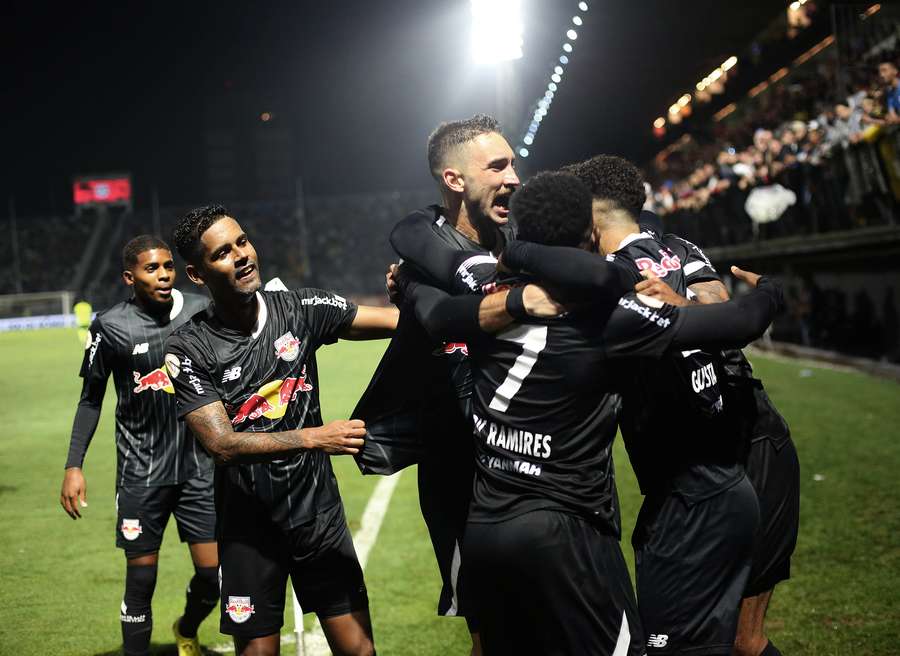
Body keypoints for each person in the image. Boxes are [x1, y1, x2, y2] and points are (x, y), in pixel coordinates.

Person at [401, 171, 785, 655]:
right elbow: (740, 320)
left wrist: (412, 286)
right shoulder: (610, 317)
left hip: (488, 526)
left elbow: (432, 308)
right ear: (589, 234)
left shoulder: (485, 301)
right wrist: (771, 288)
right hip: (567, 528)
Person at [163, 205, 401, 656]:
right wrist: (314, 437)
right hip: (248, 530)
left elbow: (398, 324)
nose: (241, 256)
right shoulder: (188, 346)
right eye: (222, 254)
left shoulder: (300, 309)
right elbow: (221, 444)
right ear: (197, 274)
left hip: (318, 515)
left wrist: (417, 294)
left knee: (360, 651)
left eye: (242, 242)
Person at [562, 155, 760, 656]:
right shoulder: (676, 251)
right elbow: (721, 309)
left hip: (688, 498)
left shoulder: (607, 279)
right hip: (724, 482)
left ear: (590, 215)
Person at [355, 113, 520, 653]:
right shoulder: (421, 246)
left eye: (513, 163)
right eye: (498, 165)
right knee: (489, 627)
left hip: (535, 459)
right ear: (454, 180)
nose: (514, 177)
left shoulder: (527, 237)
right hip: (457, 466)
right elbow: (410, 237)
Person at [635, 235, 799, 656]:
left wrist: (677, 307)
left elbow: (724, 311)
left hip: (754, 441)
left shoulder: (675, 247)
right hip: (700, 465)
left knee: (743, 640)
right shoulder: (600, 269)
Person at [59, 235, 218, 656]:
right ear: (130, 277)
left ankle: (186, 627)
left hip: (199, 467)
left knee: (213, 575)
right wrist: (74, 465)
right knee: (141, 578)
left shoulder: (200, 311)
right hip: (141, 472)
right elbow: (90, 399)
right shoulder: (110, 326)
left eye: (168, 266)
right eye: (152, 268)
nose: (164, 275)